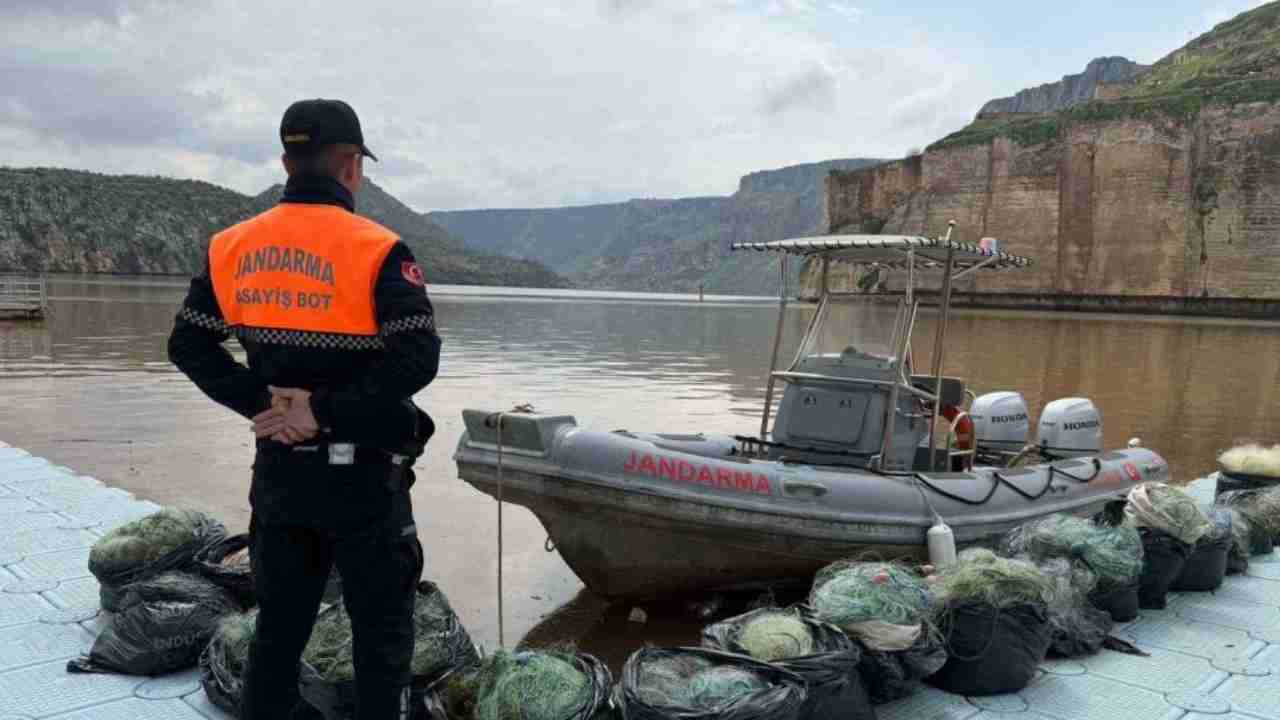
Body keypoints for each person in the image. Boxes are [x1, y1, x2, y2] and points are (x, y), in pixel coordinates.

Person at [168, 98, 441, 719]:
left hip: (281, 474)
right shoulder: (379, 249)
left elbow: (188, 344)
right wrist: (325, 410)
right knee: (381, 640)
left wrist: (262, 403)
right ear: (349, 165)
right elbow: (416, 360)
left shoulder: (232, 246)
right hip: (365, 482)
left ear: (287, 162)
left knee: (278, 635)